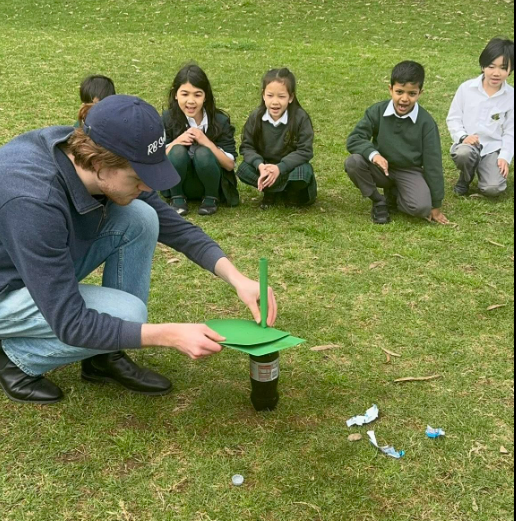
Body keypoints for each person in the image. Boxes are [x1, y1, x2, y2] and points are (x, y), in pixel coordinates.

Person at [0, 95, 278, 405]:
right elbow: (71, 323)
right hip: (6, 288)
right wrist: (165, 335)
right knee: (129, 314)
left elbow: (176, 227)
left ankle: (104, 356)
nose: (147, 187)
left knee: (141, 215)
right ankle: (14, 357)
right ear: (98, 164)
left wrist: (237, 278)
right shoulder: (33, 201)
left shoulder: (96, 146)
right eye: (138, 178)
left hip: (32, 264)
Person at [345, 61, 448, 225]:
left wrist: (436, 205)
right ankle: (379, 201)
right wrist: (374, 155)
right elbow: (355, 138)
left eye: (412, 93)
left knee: (421, 208)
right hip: (381, 167)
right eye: (399, 92)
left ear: (420, 93)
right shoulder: (376, 111)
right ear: (390, 89)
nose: (404, 99)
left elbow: (433, 164)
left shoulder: (426, 123)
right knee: (353, 162)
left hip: (409, 170)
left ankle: (395, 195)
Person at [161, 64, 239, 217]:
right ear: (175, 94)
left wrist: (206, 142)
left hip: (211, 183)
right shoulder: (167, 118)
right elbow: (156, 159)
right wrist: (177, 141)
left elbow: (230, 165)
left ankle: (211, 199)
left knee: (203, 152)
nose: (191, 101)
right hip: (180, 183)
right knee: (176, 150)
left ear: (206, 96)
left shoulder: (220, 121)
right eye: (185, 94)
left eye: (197, 95)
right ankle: (177, 199)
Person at [237, 68, 317, 209]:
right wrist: (260, 166)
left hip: (289, 168)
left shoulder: (300, 118)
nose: (275, 102)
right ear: (263, 95)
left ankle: (291, 192)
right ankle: (270, 191)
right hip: (265, 167)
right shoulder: (256, 117)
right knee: (243, 169)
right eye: (270, 95)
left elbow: (305, 151)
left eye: (281, 96)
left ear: (290, 97)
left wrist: (280, 168)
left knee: (303, 172)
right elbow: (246, 147)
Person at [446, 38, 514, 197]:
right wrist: (463, 137)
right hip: (468, 145)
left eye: (503, 68)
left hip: (492, 149)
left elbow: (511, 131)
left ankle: (485, 171)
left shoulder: (511, 96)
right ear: (483, 66)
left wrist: (504, 157)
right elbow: (453, 118)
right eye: (491, 67)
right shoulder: (466, 89)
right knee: (464, 154)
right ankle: (465, 178)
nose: (496, 73)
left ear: (510, 70)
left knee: (493, 189)